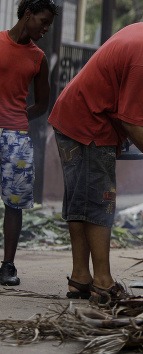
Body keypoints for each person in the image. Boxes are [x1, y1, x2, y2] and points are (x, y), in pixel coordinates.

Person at [48, 11, 143, 304]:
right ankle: (103, 282)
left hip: (72, 120)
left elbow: (121, 108)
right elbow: (133, 122)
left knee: (79, 201)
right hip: (88, 127)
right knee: (100, 203)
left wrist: (124, 142)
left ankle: (81, 277)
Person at [0, 0, 58, 286]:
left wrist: (18, 117)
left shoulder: (38, 58)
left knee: (15, 204)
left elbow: (42, 104)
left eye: (49, 24)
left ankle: (7, 266)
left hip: (16, 137)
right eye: (43, 21)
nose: (45, 29)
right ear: (27, 14)